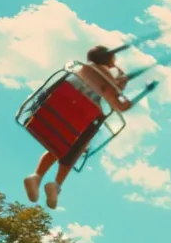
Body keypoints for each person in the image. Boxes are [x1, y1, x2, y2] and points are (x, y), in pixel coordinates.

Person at [23, 45, 135, 209]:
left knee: (61, 144)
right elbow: (117, 104)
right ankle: (56, 184)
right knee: (79, 144)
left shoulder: (85, 68)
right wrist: (121, 88)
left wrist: (117, 86)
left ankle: (37, 177)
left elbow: (108, 90)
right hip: (80, 114)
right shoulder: (100, 72)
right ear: (108, 58)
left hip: (59, 108)